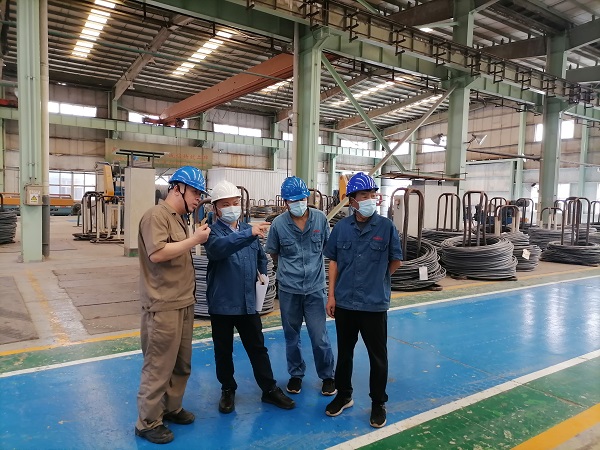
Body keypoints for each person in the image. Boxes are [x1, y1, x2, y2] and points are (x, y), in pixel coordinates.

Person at [203, 180, 295, 414]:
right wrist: (248, 234)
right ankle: (227, 389)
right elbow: (218, 249)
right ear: (215, 209)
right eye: (225, 204)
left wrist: (262, 277)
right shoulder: (211, 232)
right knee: (223, 350)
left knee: (257, 347)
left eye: (235, 203)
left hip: (247, 302)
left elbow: (260, 257)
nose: (232, 208)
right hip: (223, 303)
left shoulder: (248, 229)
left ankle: (269, 389)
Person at [135, 166, 211, 444]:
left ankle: (171, 407)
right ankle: (147, 422)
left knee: (181, 363)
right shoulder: (156, 216)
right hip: (163, 304)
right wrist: (194, 240)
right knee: (159, 366)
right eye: (195, 192)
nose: (198, 198)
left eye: (200, 194)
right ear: (177, 188)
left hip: (183, 301)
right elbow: (157, 253)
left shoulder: (179, 219)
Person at [323, 172, 402, 429]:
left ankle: (378, 402)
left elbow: (396, 260)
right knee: (344, 353)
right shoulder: (341, 228)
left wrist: (378, 279)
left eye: (372, 195)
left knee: (377, 357)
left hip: (374, 304)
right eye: (363, 195)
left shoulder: (386, 227)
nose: (369, 199)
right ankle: (344, 396)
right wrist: (331, 295)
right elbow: (333, 262)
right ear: (352, 201)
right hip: (345, 303)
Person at [264, 176, 336, 396]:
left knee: (319, 336)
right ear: (285, 202)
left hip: (315, 289)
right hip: (289, 290)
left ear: (307, 198)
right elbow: (273, 253)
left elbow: (329, 249)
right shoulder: (278, 225)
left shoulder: (320, 219)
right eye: (293, 201)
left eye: (302, 199)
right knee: (291, 336)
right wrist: (289, 269)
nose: (299, 204)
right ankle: (296, 375)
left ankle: (328, 376)